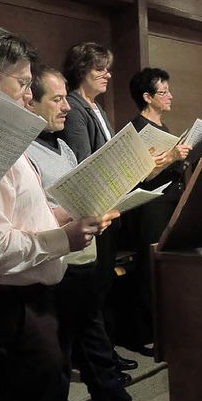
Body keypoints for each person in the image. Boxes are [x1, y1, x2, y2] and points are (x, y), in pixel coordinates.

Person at [0, 26, 116, 401]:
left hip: (17, 303)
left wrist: (61, 215)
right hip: (5, 307)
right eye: (24, 84)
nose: (30, 97)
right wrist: (63, 240)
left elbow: (14, 213)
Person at [25, 66, 130, 401]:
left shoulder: (63, 147)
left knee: (97, 352)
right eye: (56, 99)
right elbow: (38, 214)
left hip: (85, 261)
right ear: (31, 103)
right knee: (59, 360)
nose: (67, 107)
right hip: (58, 268)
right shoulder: (24, 154)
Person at [61, 42, 137, 382]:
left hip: (110, 201)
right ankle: (95, 357)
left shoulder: (96, 107)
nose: (107, 74)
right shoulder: (75, 107)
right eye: (99, 69)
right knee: (94, 288)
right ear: (81, 70)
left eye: (107, 68)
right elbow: (82, 161)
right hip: (92, 205)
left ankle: (104, 352)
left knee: (104, 284)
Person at [124, 67, 192, 354]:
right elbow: (140, 176)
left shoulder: (162, 128)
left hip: (170, 202)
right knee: (147, 268)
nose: (169, 96)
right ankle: (144, 334)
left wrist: (181, 161)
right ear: (147, 97)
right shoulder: (137, 129)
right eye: (163, 92)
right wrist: (172, 158)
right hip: (150, 206)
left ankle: (164, 327)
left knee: (164, 267)